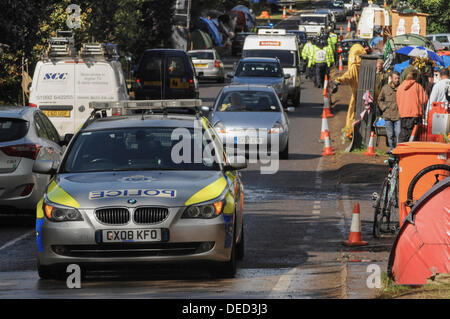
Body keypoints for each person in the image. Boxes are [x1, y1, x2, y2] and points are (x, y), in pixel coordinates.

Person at [331, 43, 368, 137]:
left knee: (354, 112)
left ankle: (352, 130)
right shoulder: (367, 65)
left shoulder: (354, 68)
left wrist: (337, 81)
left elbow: (347, 76)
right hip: (368, 94)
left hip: (358, 94)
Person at [397, 69, 428, 142]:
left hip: (403, 114)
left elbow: (398, 101)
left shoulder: (400, 87)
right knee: (414, 135)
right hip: (415, 114)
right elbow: (424, 100)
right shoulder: (418, 86)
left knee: (404, 133)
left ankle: (400, 149)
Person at [378, 71, 401, 152]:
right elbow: (379, 100)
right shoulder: (385, 88)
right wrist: (384, 108)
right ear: (391, 78)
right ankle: (391, 149)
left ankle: (398, 150)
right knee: (390, 134)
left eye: (398, 78)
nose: (397, 80)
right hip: (388, 114)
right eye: (395, 78)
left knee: (398, 133)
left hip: (398, 115)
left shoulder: (401, 88)